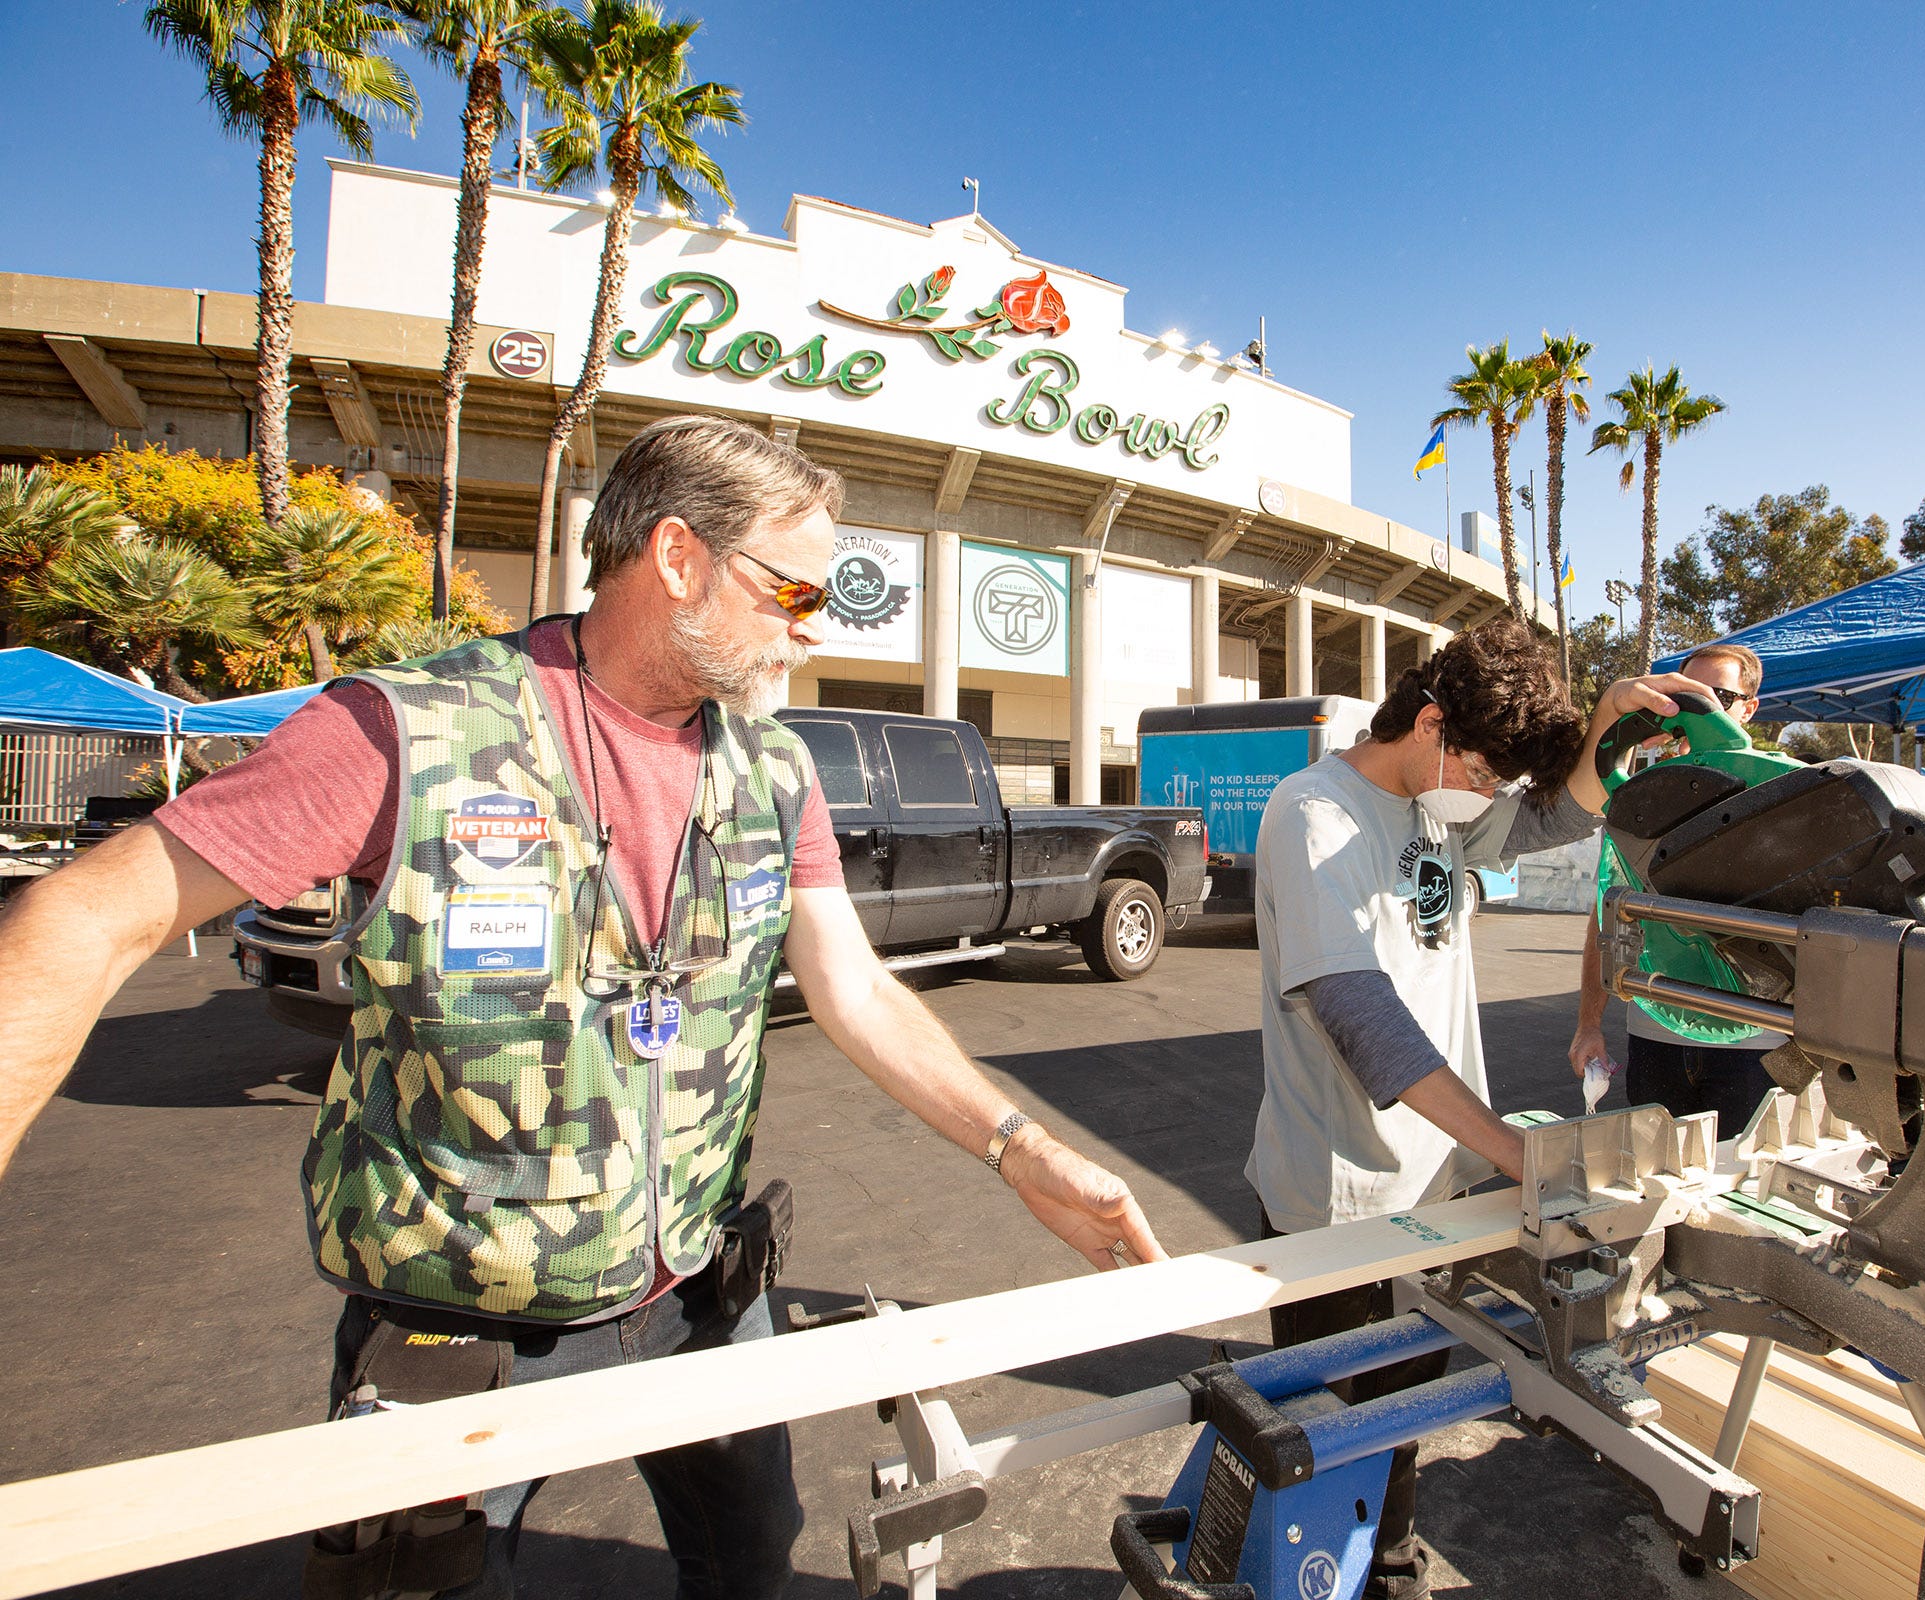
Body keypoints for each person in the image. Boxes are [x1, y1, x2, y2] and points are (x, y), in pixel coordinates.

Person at [0, 416, 1163, 1600]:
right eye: (794, 587)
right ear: (676, 558)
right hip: (459, 1322)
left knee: (753, 1564)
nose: (811, 627)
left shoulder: (777, 770)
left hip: (701, 1293)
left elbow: (852, 983)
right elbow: (83, 920)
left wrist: (1022, 1150)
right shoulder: (408, 731)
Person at [1246, 615, 1697, 1600]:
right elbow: (1358, 1012)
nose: (1487, 795)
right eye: (1485, 769)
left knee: (1404, 1422)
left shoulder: (1439, 800)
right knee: (1322, 1444)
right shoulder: (1310, 813)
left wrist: (1608, 726)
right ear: (1430, 722)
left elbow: (1556, 819)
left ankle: (1391, 1569)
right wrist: (1512, 1150)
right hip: (1340, 1198)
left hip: (1435, 1189)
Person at [1568, 643, 1786, 1129]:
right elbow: (1609, 916)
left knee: (1742, 1188)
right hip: (1656, 1036)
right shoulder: (1642, 798)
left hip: (1755, 1045)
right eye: (1691, 693)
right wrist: (1588, 1025)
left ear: (1749, 708)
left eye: (1720, 697)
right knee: (1656, 1184)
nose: (1701, 708)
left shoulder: (1784, 794)